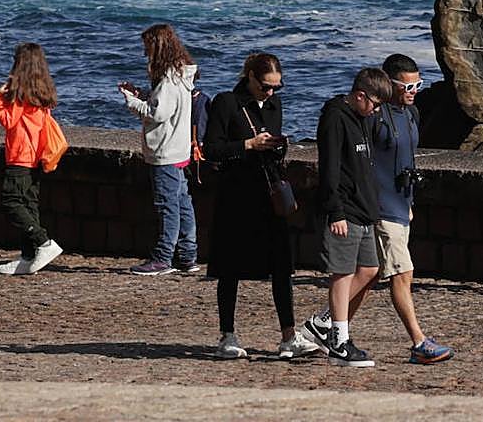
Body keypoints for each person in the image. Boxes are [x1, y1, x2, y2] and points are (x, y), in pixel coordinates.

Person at [201, 52, 319, 361]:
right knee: (230, 268)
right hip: (236, 194)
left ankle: (288, 335)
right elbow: (211, 149)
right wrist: (247, 145)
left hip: (267, 193)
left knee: (282, 265)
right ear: (251, 77)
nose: (270, 93)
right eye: (266, 86)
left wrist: (278, 145)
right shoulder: (227, 102)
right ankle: (227, 334)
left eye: (277, 87)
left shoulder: (275, 105)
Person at [299, 68, 391, 367]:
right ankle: (339, 340)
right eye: (374, 104)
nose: (376, 111)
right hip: (343, 210)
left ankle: (323, 322)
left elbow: (363, 166)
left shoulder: (363, 118)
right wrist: (335, 210)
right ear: (360, 95)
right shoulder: (335, 117)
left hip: (363, 209)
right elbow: (331, 168)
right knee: (342, 273)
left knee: (370, 269)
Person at [364, 54, 452, 363]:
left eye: (418, 83)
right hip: (381, 206)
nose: (414, 89)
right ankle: (418, 342)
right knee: (403, 272)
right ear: (389, 84)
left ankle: (326, 326)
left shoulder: (411, 113)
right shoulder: (375, 115)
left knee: (369, 275)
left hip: (402, 204)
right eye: (407, 85)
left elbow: (407, 160)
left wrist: (410, 201)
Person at [117, 24, 199, 276]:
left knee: (167, 206)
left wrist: (132, 102)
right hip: (179, 151)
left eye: (147, 48)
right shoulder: (181, 77)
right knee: (183, 204)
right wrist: (142, 94)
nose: (145, 54)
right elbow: (163, 104)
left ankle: (163, 257)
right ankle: (187, 255)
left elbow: (156, 113)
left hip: (165, 153)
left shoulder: (168, 81)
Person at [0, 42, 65, 275]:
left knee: (11, 201)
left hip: (20, 156)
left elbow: (8, 121)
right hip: (36, 157)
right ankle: (29, 256)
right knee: (29, 204)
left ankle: (43, 242)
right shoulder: (40, 92)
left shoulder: (20, 95)